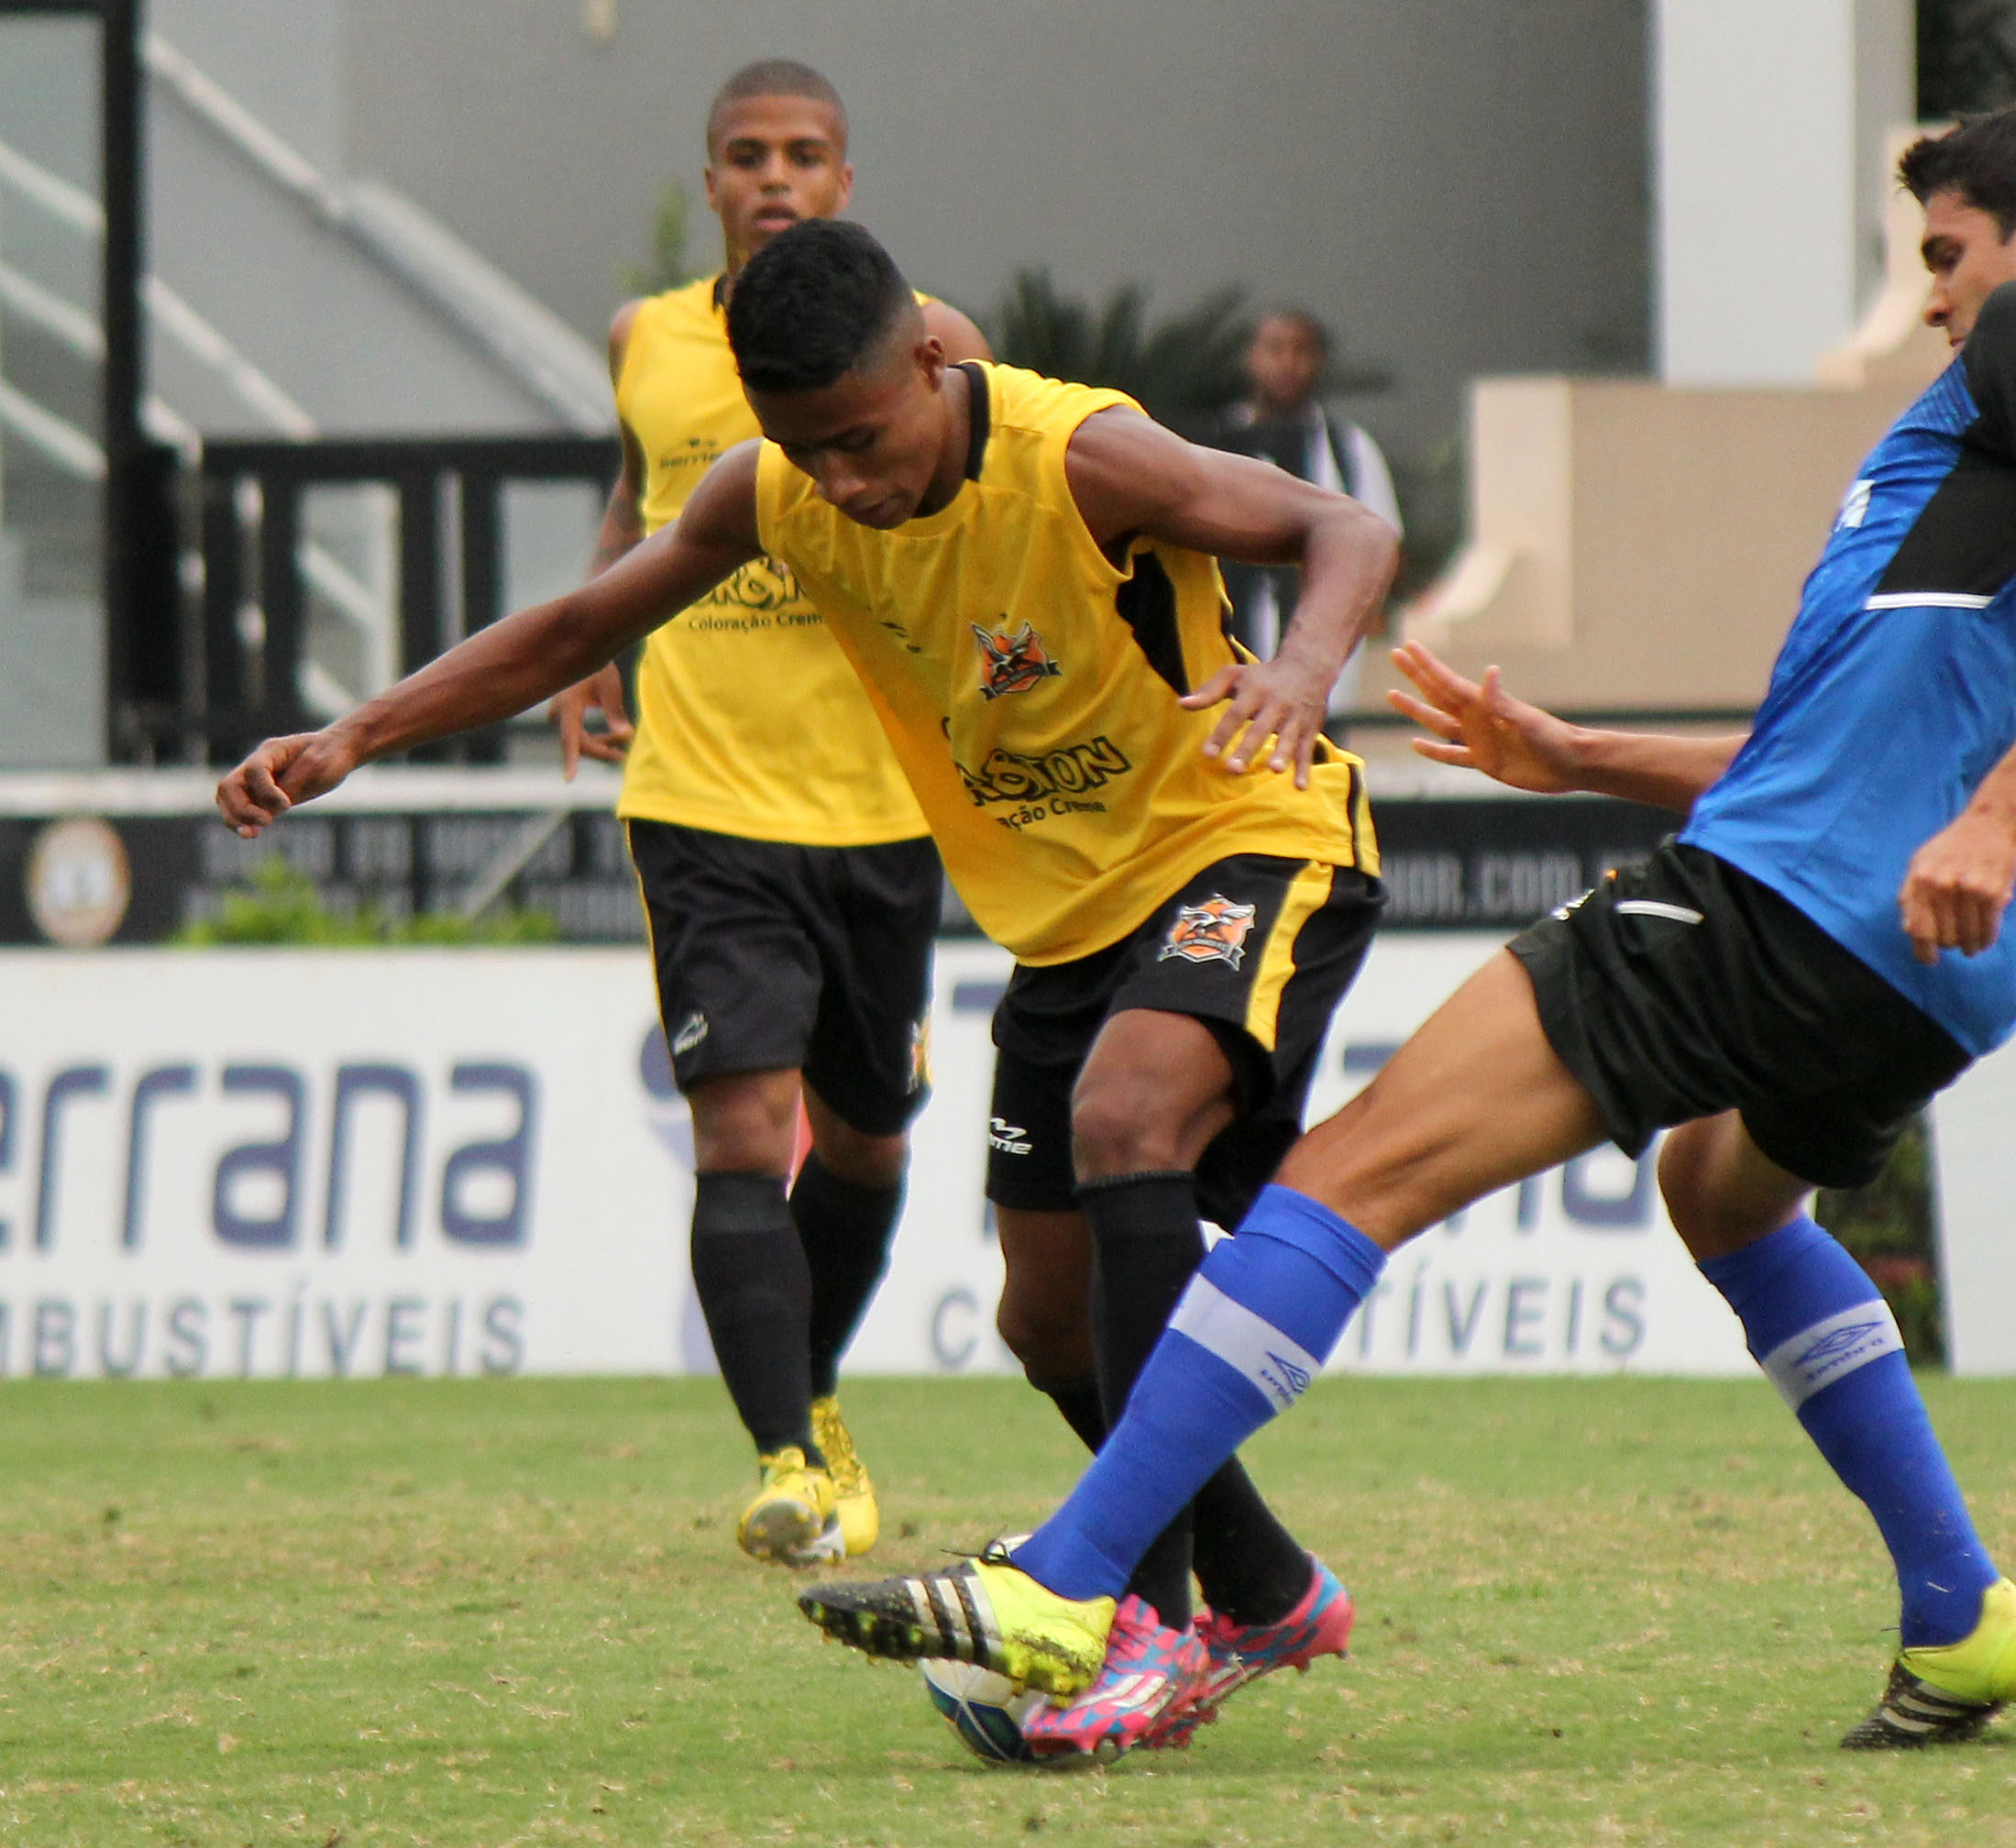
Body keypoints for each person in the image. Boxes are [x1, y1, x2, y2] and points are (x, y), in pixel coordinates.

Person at [791, 99, 2016, 1753]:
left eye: (1943, 254)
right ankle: (1961, 1611)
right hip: (1926, 956)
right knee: (1726, 1192)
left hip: (1812, 904)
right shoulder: (2005, 443)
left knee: (1350, 1173)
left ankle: (1076, 1578)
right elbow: (1845, 742)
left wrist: (1997, 812)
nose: (1929, 298)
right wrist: (1584, 759)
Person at [214, 217, 1399, 1757]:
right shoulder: (774, 493)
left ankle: (1138, 1628)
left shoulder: (1078, 456)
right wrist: (352, 738)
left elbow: (1344, 532)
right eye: (799, 448)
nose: (837, 480)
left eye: (855, 438)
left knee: (1128, 1120)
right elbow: (581, 626)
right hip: (1065, 928)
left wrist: (1300, 674)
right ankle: (1262, 1582)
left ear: (929, 357)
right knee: (1048, 1329)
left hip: (1246, 837)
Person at [545, 59, 990, 1572]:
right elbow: (635, 505)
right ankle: (787, 1456)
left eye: (805, 155)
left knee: (864, 1146)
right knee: (745, 1132)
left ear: (844, 181)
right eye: (747, 156)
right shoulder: (647, 342)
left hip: (883, 803)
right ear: (713, 177)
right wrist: (592, 649)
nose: (776, 178)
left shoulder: (925, 342)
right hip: (700, 797)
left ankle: (812, 1393)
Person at [1208, 311, 1400, 707]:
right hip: (1222, 655)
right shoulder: (1214, 446)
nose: (1288, 363)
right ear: (1251, 357)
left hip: (1322, 672)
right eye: (1275, 349)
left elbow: (1383, 543)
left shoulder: (1350, 451)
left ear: (1320, 362)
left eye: (1301, 351)